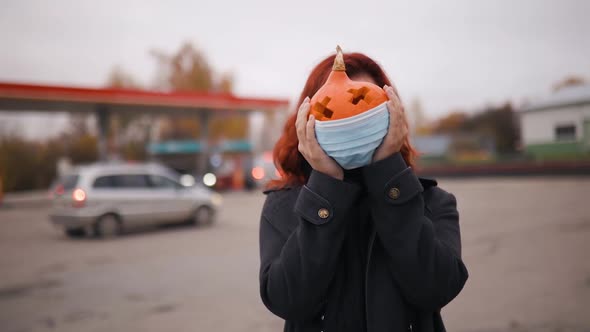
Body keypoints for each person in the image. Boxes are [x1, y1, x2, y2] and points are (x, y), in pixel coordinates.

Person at [258, 50, 468, 332]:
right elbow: (288, 301)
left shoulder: (432, 201)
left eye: (363, 105)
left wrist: (389, 180)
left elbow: (436, 288)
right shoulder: (285, 205)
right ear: (307, 121)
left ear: (393, 114)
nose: (351, 121)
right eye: (334, 109)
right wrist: (327, 186)